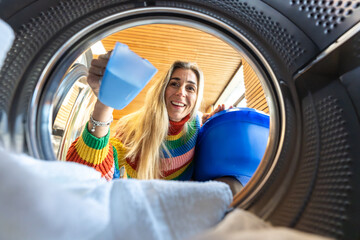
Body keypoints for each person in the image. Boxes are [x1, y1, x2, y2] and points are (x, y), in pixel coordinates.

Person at [66, 52, 225, 181]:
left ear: (197, 97)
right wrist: (105, 103)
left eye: (190, 88)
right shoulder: (131, 128)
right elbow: (88, 173)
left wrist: (220, 122)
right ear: (162, 90)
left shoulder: (198, 124)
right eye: (174, 83)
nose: (181, 92)